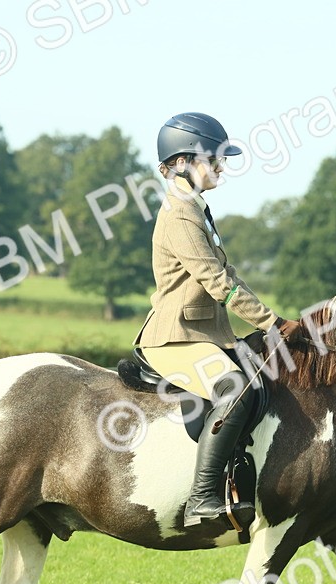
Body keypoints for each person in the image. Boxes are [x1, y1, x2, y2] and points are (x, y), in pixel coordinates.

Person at [133, 112, 302, 529]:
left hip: (207, 332)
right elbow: (217, 282)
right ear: (182, 163)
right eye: (214, 158)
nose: (221, 166)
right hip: (175, 337)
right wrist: (269, 322)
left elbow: (231, 276)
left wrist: (273, 321)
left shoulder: (197, 210)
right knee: (236, 389)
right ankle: (202, 498)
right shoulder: (180, 215)